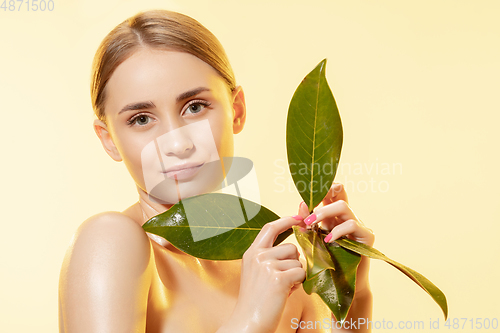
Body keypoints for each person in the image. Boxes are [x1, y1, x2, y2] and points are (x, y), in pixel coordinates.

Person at [58, 9, 375, 333]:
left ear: (236, 110)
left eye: (194, 107)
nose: (177, 143)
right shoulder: (110, 241)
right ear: (109, 140)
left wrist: (353, 292)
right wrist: (251, 319)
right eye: (141, 118)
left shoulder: (279, 265)